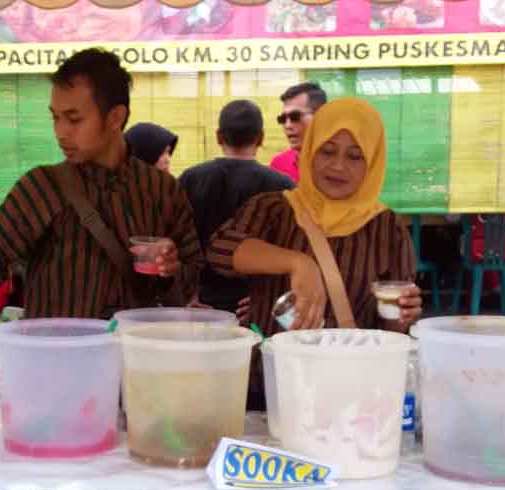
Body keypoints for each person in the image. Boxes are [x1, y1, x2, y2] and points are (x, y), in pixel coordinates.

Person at [0, 49, 203, 318]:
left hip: (135, 354)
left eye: (74, 119)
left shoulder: (163, 191)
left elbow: (189, 285)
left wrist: (171, 269)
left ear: (116, 117)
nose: (61, 132)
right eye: (56, 118)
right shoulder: (42, 187)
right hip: (57, 353)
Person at [208, 96, 422, 337]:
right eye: (327, 151)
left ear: (372, 163)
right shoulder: (274, 208)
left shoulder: (387, 227)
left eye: (355, 156)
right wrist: (297, 263)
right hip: (276, 359)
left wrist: (402, 316)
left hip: (350, 359)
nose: (338, 166)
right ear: (310, 151)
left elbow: (391, 329)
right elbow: (220, 249)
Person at [179, 100, 295, 317]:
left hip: (200, 304)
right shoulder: (283, 185)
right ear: (261, 138)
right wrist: (267, 298)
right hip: (256, 305)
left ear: (218, 137)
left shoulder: (191, 179)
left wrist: (188, 294)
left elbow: (178, 241)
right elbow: (292, 249)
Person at [270, 82, 327, 183]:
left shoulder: (344, 165)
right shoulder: (278, 165)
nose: (288, 125)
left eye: (295, 117)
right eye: (283, 119)